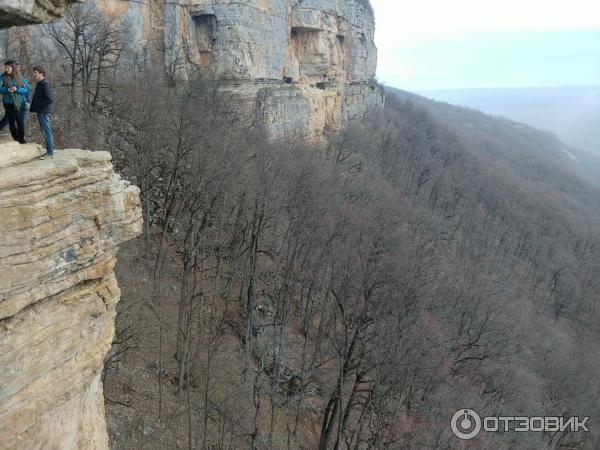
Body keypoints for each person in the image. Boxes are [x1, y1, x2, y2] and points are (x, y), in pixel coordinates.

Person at [0, 60, 29, 144]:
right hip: (7, 103)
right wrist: (7, 89)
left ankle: (22, 140)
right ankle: (16, 140)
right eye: (6, 68)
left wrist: (17, 89)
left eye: (8, 68)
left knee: (19, 121)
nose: (6, 69)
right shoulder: (2, 77)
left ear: (13, 68)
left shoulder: (20, 77)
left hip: (19, 103)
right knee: (11, 122)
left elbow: (26, 90)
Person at [30, 65, 54, 158]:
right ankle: (49, 151)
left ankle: (50, 153)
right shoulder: (40, 83)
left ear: (41, 73)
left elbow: (49, 99)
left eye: (35, 72)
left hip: (44, 112)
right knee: (45, 132)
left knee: (47, 132)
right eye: (34, 72)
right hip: (41, 112)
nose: (34, 74)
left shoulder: (45, 84)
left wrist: (38, 106)